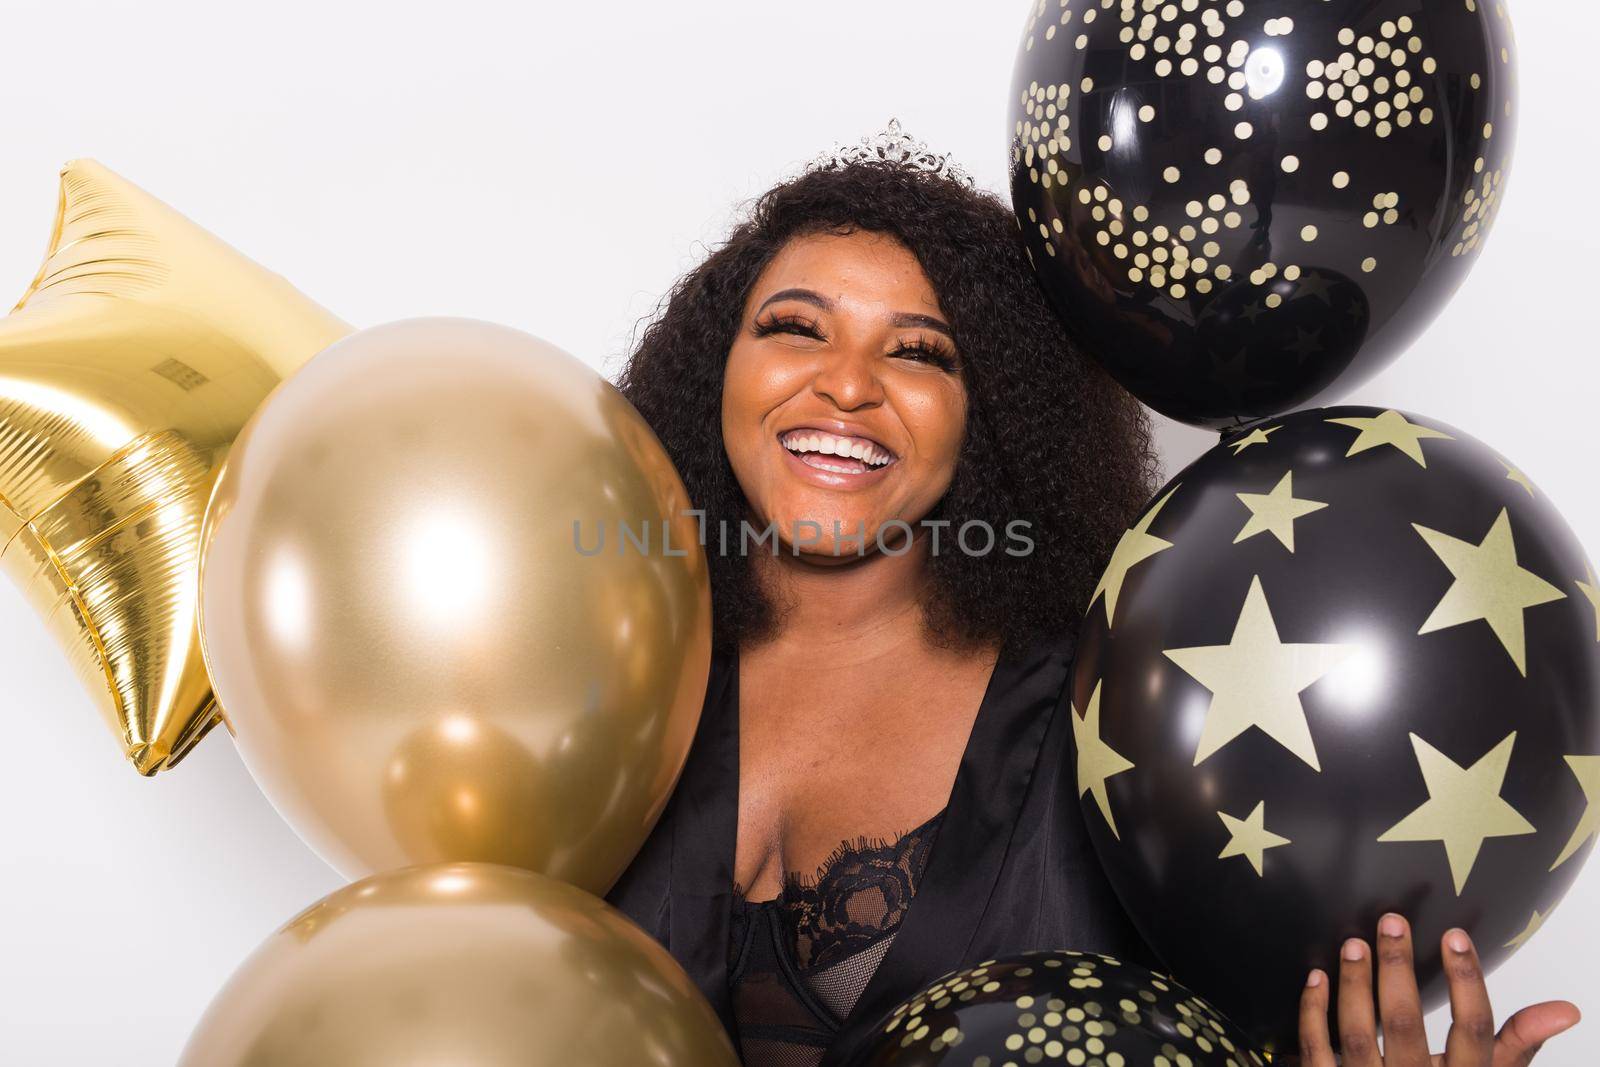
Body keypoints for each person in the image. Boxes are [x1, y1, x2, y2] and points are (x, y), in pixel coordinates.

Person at [602, 123, 1579, 1067]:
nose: (846, 384)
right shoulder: (600, 675)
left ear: (993, 413)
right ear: (714, 366)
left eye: (918, 352)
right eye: (794, 328)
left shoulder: (1144, 713)